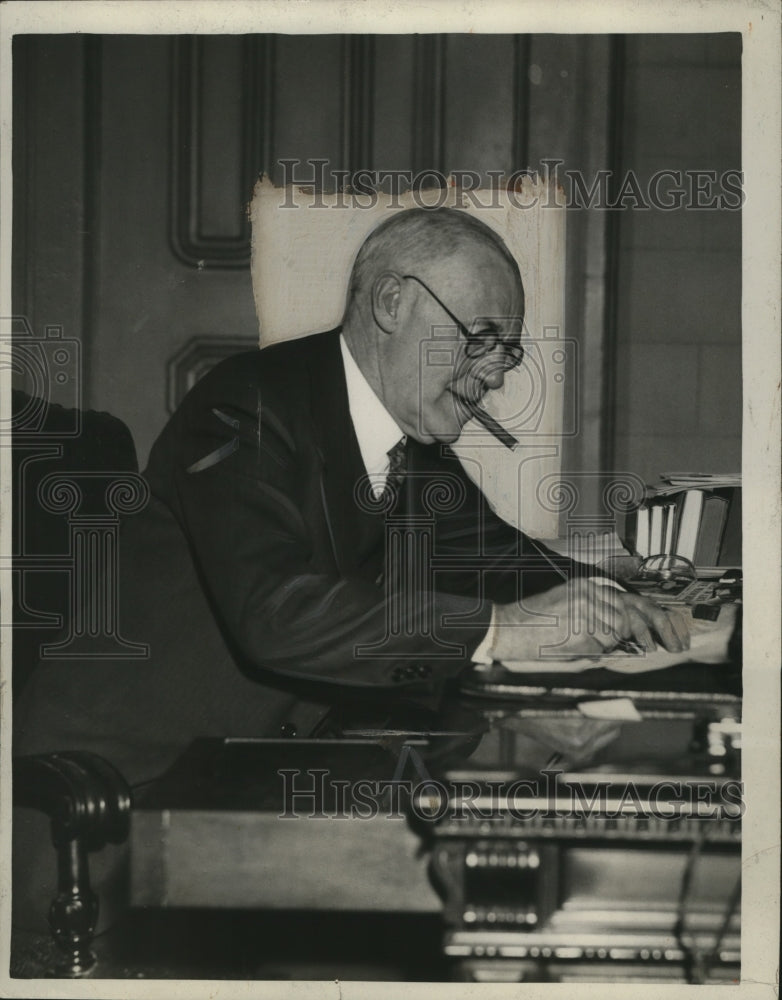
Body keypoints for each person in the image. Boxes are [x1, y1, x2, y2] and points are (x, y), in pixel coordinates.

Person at [15, 208, 688, 785]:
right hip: (110, 794)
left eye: (506, 351)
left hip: (246, 778)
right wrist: (507, 632)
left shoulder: (416, 456)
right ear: (392, 302)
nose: (493, 374)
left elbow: (503, 563)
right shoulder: (244, 408)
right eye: (480, 338)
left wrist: (640, 613)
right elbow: (278, 612)